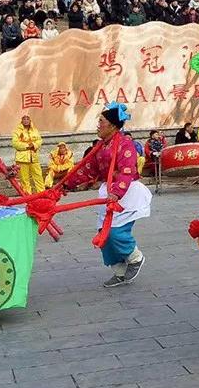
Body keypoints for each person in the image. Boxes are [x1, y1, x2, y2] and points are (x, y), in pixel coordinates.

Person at [62, 103, 151, 287]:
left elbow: (127, 171)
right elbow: (87, 170)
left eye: (101, 121)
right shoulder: (100, 147)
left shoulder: (125, 144)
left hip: (126, 193)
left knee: (115, 232)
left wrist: (117, 192)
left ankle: (135, 258)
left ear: (112, 125)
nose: (98, 125)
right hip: (109, 192)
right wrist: (66, 185)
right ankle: (119, 271)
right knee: (104, 234)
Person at [11, 113, 44, 193]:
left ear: (30, 120)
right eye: (24, 119)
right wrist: (27, 146)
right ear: (21, 121)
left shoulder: (34, 130)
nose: (26, 121)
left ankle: (42, 193)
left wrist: (34, 145)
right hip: (22, 158)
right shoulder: (17, 131)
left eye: (27, 119)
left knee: (38, 176)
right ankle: (27, 196)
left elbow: (39, 140)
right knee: (24, 179)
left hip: (34, 157)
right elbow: (15, 143)